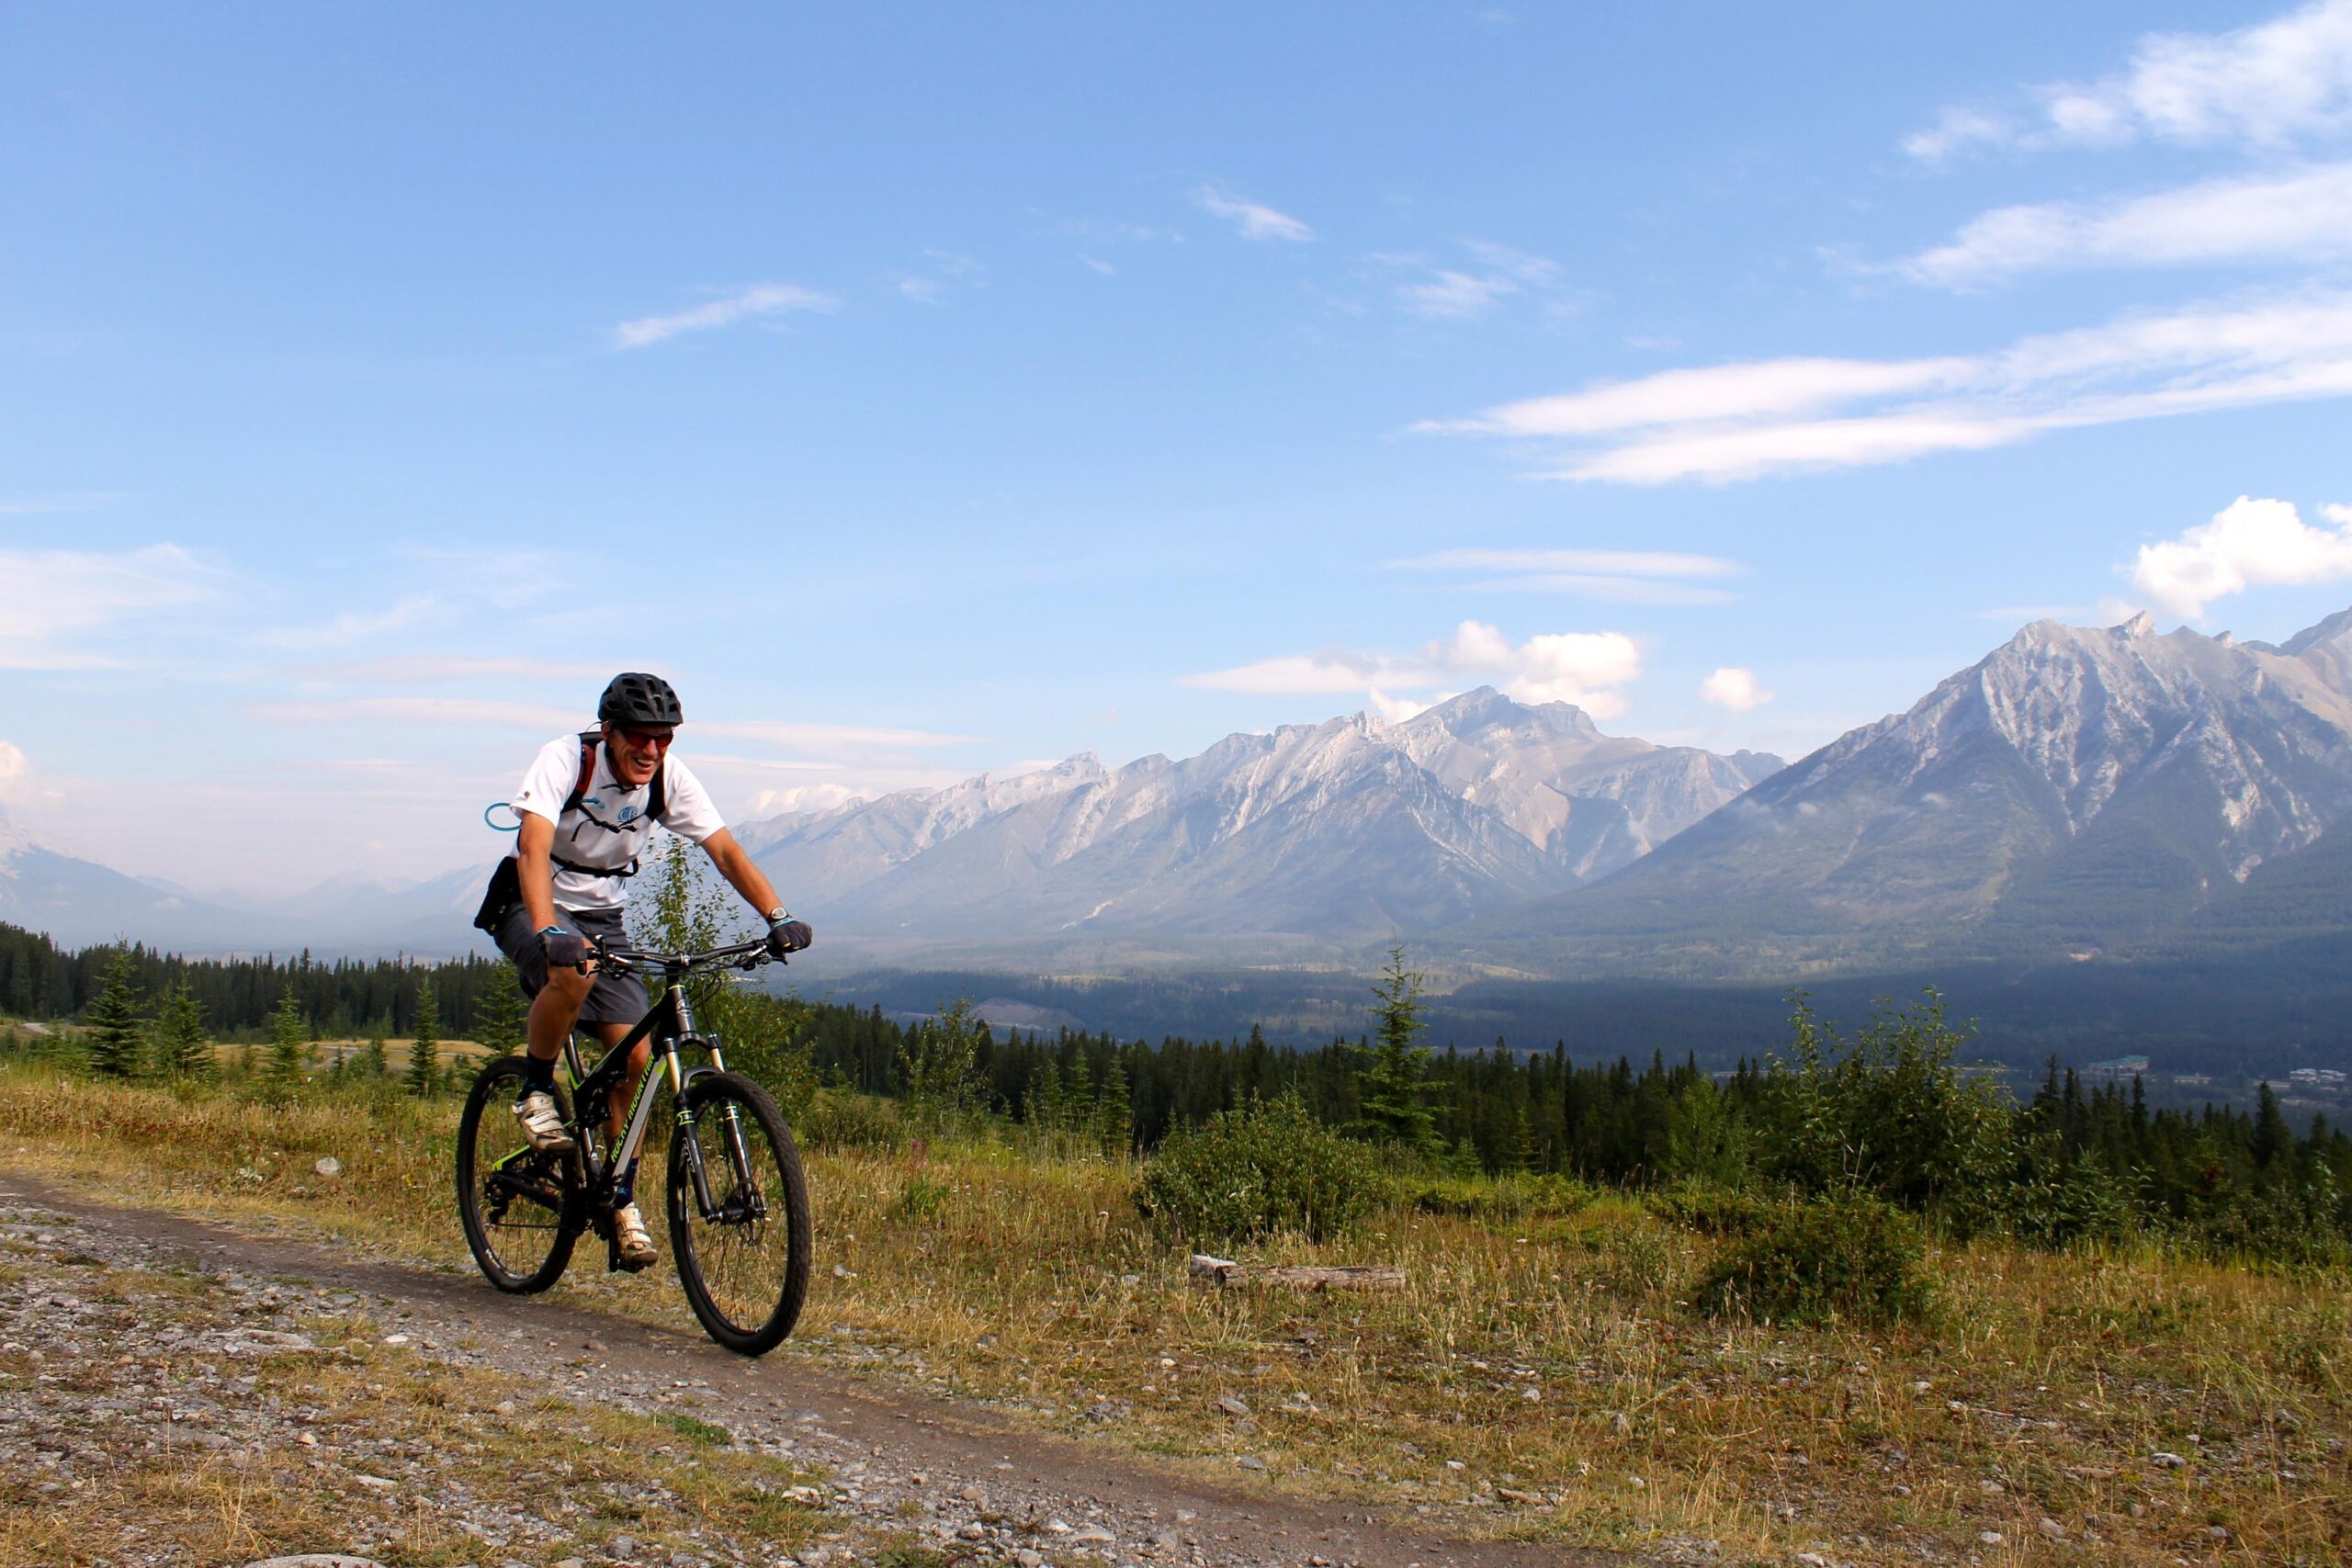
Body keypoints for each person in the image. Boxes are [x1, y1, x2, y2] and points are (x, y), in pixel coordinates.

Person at [481, 671, 811, 1269]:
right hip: (532, 902)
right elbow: (532, 847)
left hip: (604, 916)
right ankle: (534, 1090)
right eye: (639, 736)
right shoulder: (564, 759)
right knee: (574, 969)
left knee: (635, 1058)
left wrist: (778, 914)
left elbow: (727, 851)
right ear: (608, 731)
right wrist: (550, 927)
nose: (652, 750)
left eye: (664, 738)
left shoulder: (667, 779)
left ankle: (619, 1200)